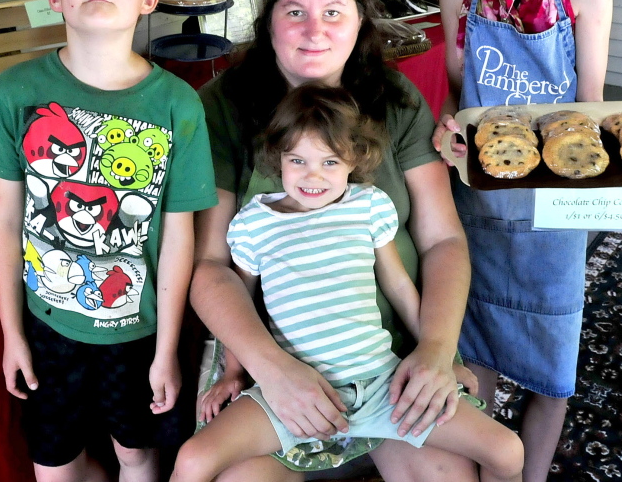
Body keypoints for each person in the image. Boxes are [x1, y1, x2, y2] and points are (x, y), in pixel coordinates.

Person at [190, 0, 481, 481]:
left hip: (391, 354)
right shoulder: (223, 105)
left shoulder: (395, 101)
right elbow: (211, 267)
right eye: (294, 10)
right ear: (268, 18)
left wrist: (437, 349)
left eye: (333, 11)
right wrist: (269, 368)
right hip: (269, 362)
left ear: (360, 20)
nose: (314, 30)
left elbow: (442, 239)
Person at [0, 0, 218, 482]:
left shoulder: (178, 106)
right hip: (44, 325)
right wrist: (12, 334)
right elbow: (4, 220)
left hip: (137, 336)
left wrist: (167, 349)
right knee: (53, 461)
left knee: (136, 453)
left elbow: (181, 237)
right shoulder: (15, 92)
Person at [173, 85, 523, 482]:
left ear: (353, 160)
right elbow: (243, 302)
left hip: (383, 386)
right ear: (278, 157)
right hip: (292, 392)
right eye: (298, 160)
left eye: (329, 162)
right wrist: (234, 373)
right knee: (192, 461)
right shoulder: (254, 223)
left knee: (507, 451)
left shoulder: (367, 205)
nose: (313, 176)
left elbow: (399, 287)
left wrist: (442, 356)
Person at [432, 0, 614, 481]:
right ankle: (481, 461)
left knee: (551, 359)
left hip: (553, 204)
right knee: (472, 341)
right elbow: (459, 101)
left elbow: (588, 98)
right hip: (478, 199)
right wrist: (447, 132)